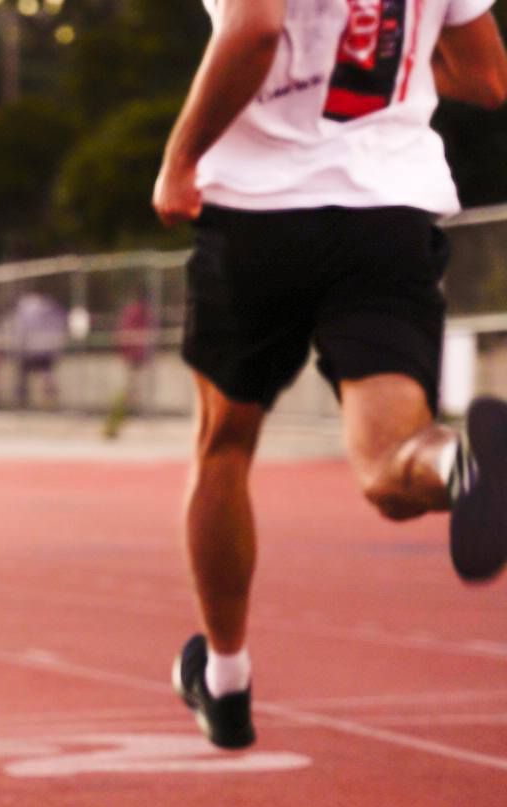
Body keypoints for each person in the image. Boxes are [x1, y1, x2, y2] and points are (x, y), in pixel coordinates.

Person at [154, 0, 507, 749]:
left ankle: (225, 680)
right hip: (386, 214)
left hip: (260, 215)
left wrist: (180, 161)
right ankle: (462, 466)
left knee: (222, 447)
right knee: (390, 462)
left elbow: (253, 30)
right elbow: (487, 77)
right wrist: (399, 52)